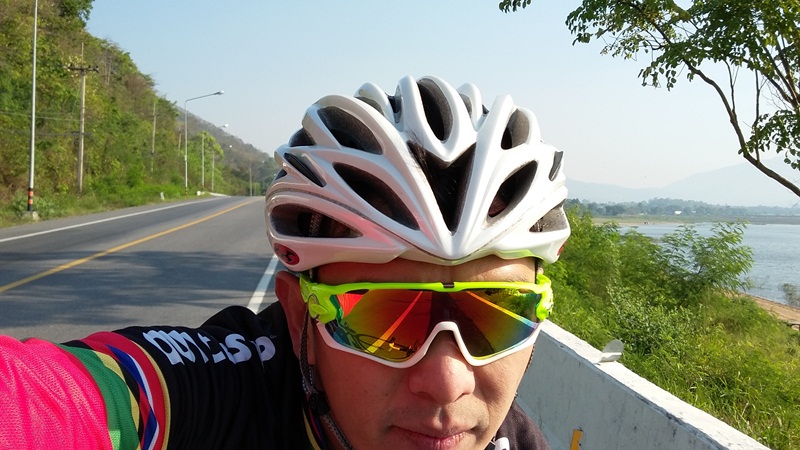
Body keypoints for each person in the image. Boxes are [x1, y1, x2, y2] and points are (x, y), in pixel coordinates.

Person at [0, 75, 570, 450]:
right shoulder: (217, 397)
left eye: (496, 315)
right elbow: (50, 401)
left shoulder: (517, 442)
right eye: (385, 319)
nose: (447, 383)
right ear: (299, 313)